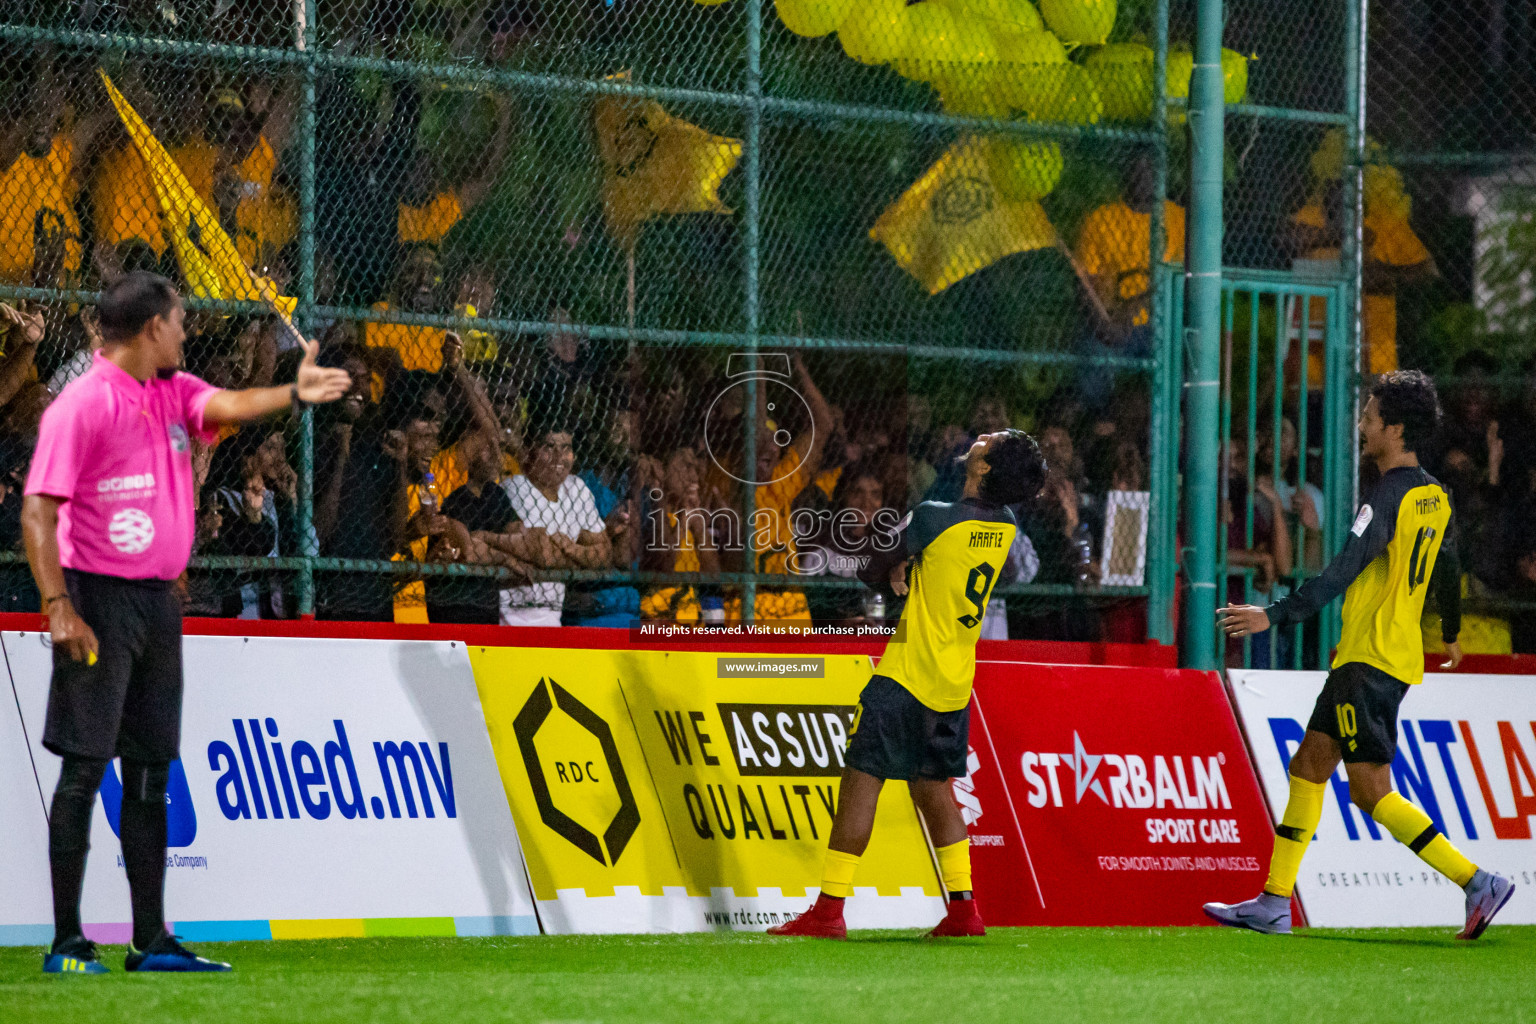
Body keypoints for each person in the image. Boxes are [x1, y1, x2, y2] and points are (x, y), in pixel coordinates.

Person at [22, 272, 348, 974]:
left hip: (159, 603)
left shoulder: (176, 391)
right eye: (178, 322)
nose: (186, 331)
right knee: (84, 767)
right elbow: (38, 512)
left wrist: (295, 388)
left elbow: (230, 403)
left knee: (149, 772)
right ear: (150, 330)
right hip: (96, 598)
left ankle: (150, 940)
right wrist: (59, 606)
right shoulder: (81, 406)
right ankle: (67, 942)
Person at [1206, 371, 1516, 939]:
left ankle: (1477, 882)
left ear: (1394, 429)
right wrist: (1449, 628)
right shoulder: (1433, 494)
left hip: (1368, 659)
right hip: (1380, 656)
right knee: (1309, 765)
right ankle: (1275, 902)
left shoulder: (1387, 495)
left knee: (1370, 789)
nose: (1362, 425)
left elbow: (1341, 571)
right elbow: (1448, 565)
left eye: (1370, 417)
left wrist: (1270, 615)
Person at [768, 428, 1046, 940]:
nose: (982, 437)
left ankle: (828, 911)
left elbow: (871, 568)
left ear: (983, 468)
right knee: (937, 793)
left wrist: (895, 566)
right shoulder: (1005, 523)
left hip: (905, 676)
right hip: (953, 684)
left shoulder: (934, 515)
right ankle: (964, 910)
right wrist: (911, 563)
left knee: (859, 784)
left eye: (991, 440)